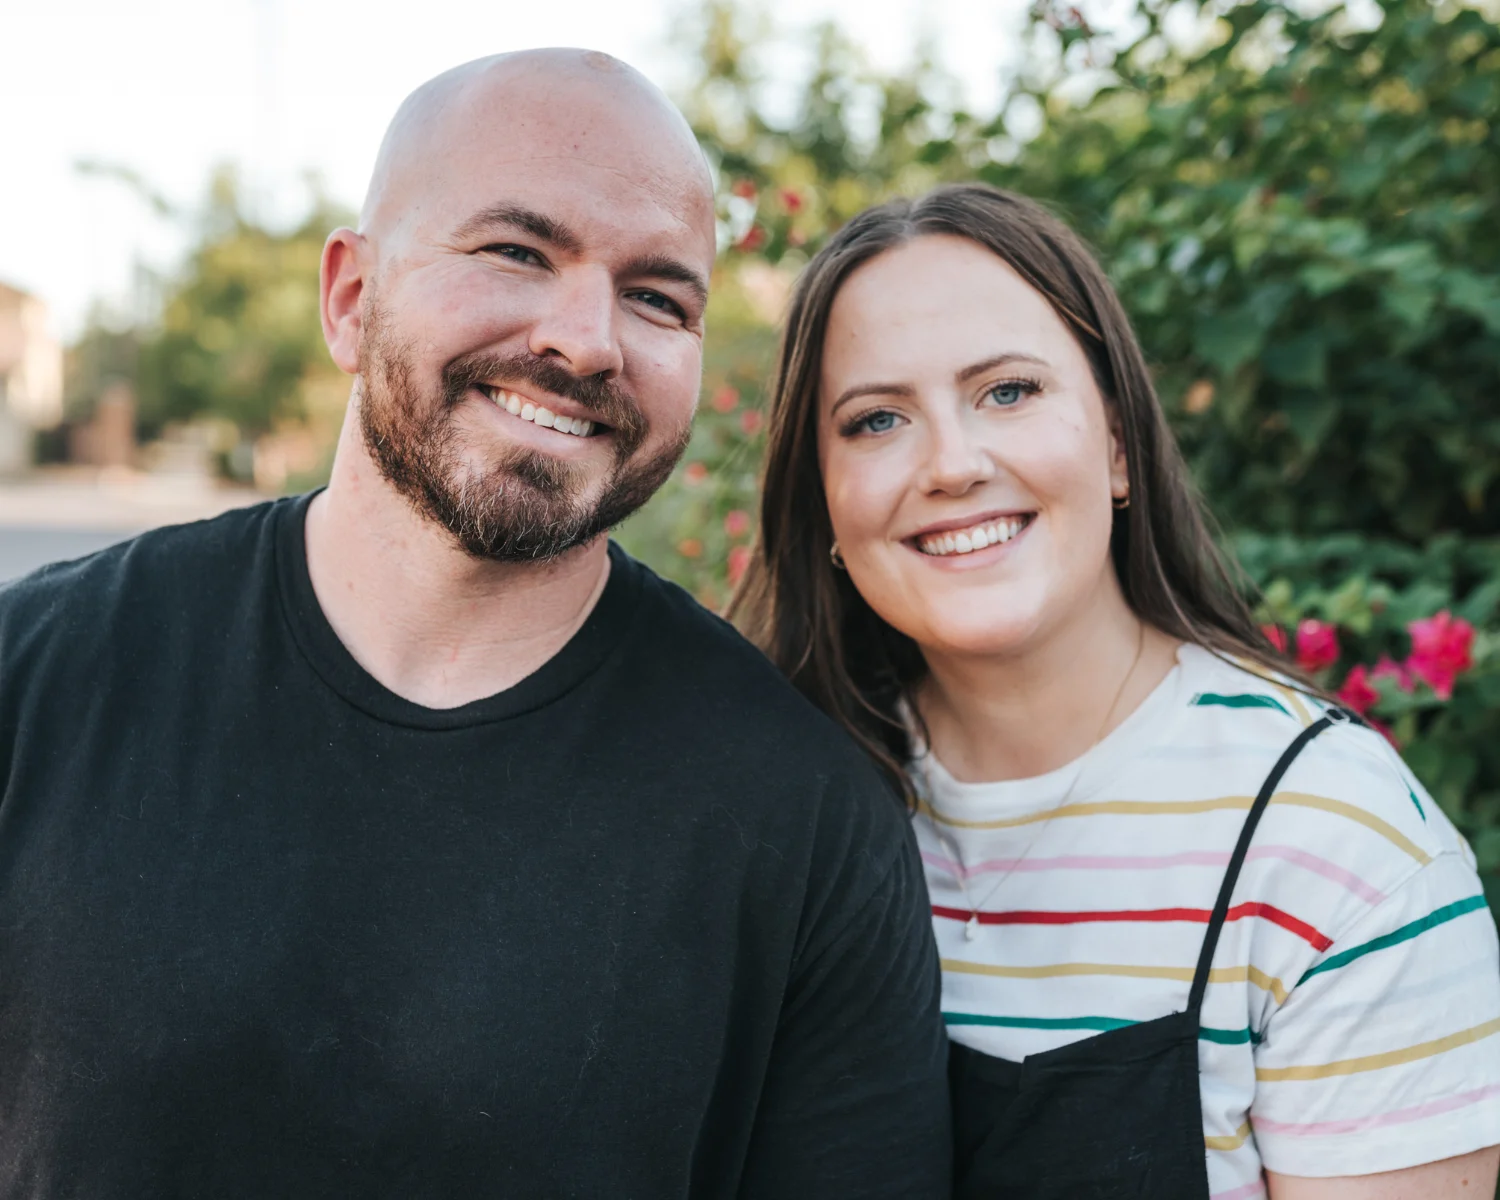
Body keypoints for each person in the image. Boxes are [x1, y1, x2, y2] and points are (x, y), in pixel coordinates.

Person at [0, 52, 951, 1197]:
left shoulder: (805, 825)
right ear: (351, 298)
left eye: (657, 297)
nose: (588, 339)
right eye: (516, 251)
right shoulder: (40, 679)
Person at [733, 182, 1500, 1198]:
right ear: (823, 503)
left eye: (1008, 391)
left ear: (1120, 445)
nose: (954, 464)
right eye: (876, 420)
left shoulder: (1335, 848)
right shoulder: (773, 820)